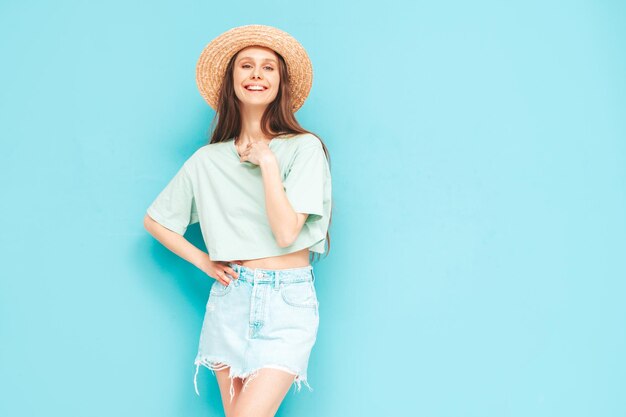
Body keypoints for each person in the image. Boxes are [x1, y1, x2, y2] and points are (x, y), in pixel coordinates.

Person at [143, 24, 332, 417]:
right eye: (246, 66)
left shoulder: (304, 148)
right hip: (231, 300)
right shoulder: (207, 160)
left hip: (287, 301)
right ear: (232, 82)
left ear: (280, 83)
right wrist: (203, 261)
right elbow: (156, 221)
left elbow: (285, 233)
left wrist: (266, 161)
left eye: (268, 68)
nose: (257, 75)